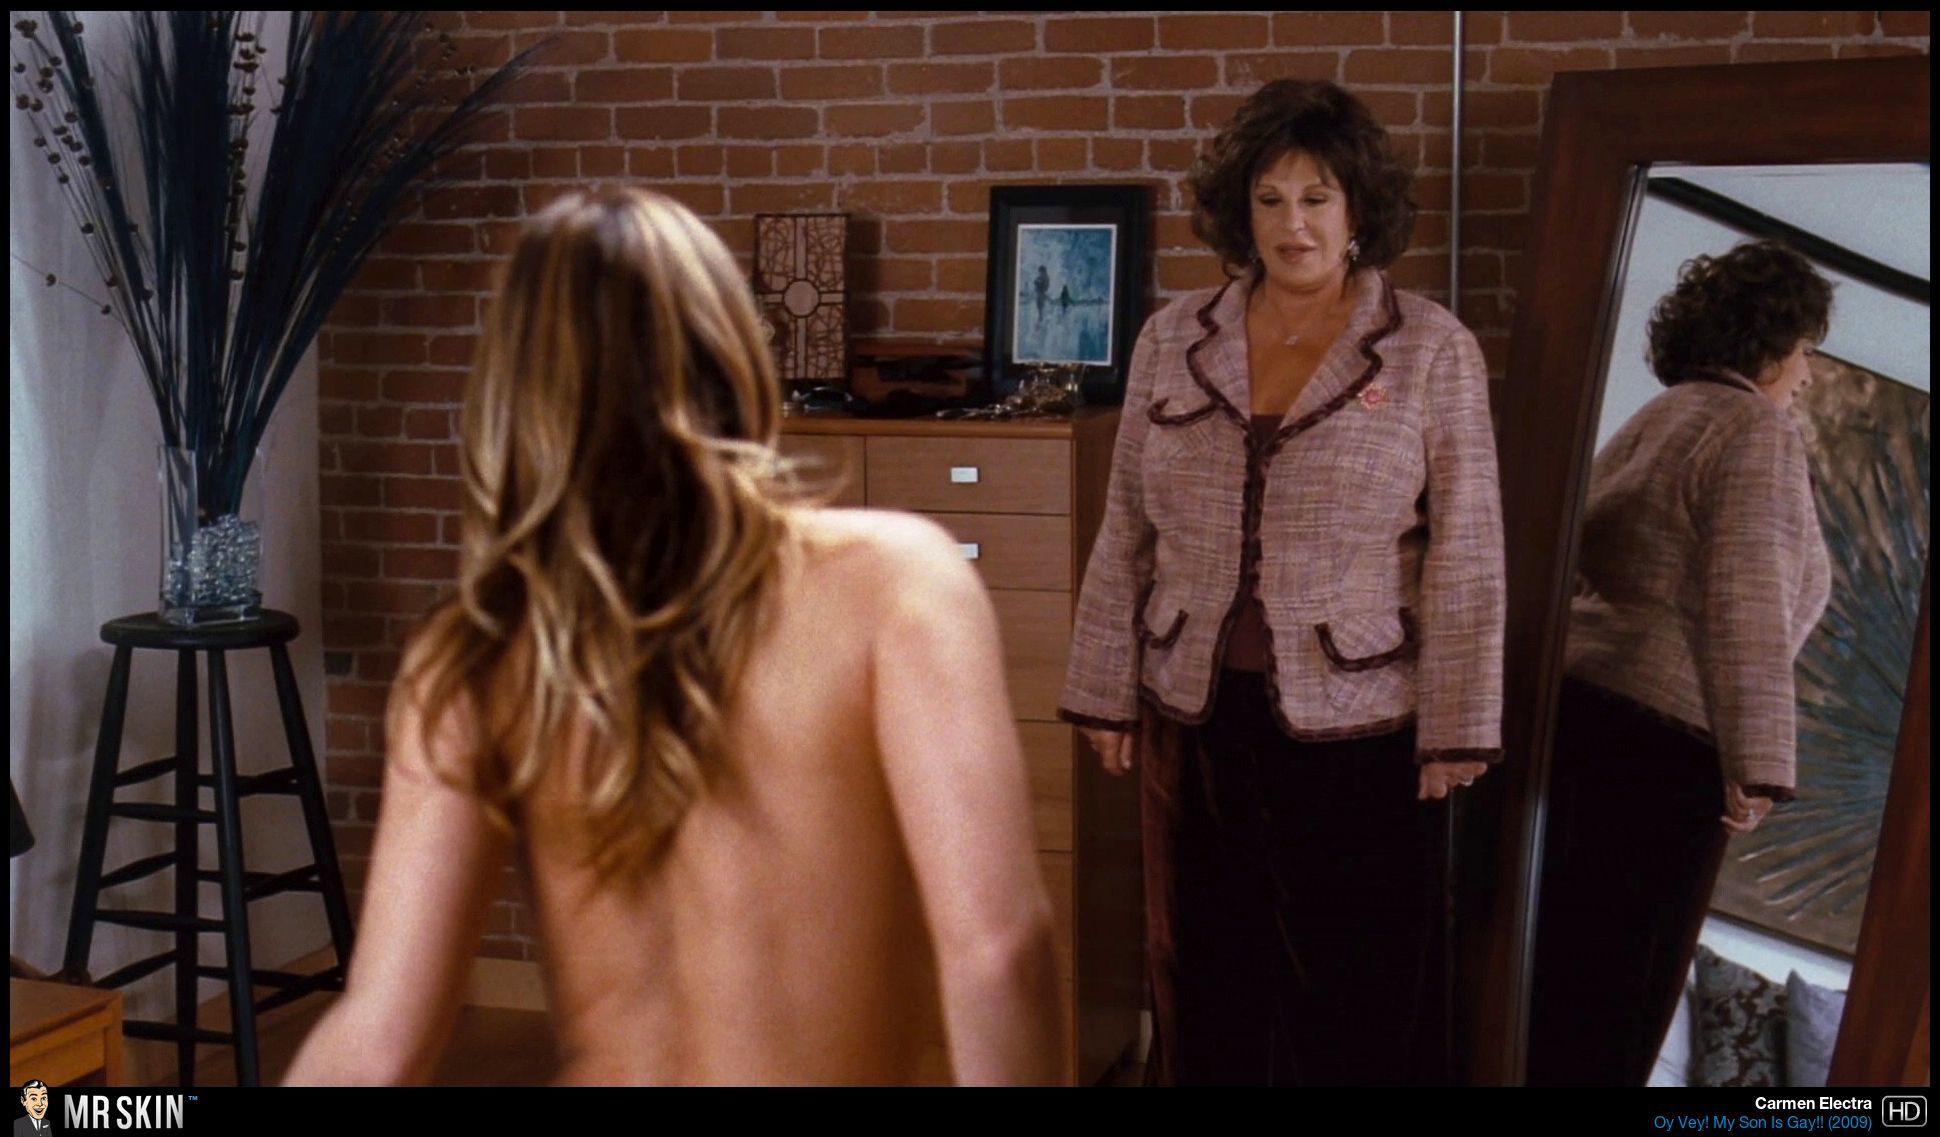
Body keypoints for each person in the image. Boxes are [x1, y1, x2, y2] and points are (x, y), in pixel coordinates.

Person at [285, 189, 1061, 1086]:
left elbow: (379, 1041)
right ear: (731, 353)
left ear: (514, 396)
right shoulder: (894, 581)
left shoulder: (478, 653)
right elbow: (998, 953)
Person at [1059, 78, 1505, 1086]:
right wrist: (1101, 691)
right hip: (1193, 714)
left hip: (1361, 726)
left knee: (1352, 985)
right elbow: (1124, 525)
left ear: (1357, 209)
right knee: (1205, 973)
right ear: (1240, 211)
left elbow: (1469, 549)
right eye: (1269, 200)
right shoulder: (1172, 336)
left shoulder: (1430, 346)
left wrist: (1457, 726)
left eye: (1315, 198)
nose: (1292, 224)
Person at [1527, 240, 1834, 1086]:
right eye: (1806, 350)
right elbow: (1747, 597)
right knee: (1613, 1004)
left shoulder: (1664, 415)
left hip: (1579, 717)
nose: (1808, 374)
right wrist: (1758, 764)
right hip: (1658, 751)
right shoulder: (1755, 428)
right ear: (1771, 343)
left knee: (1549, 981)